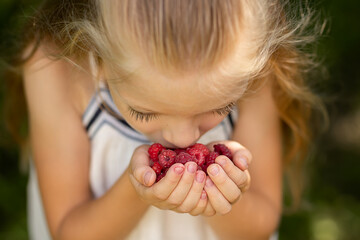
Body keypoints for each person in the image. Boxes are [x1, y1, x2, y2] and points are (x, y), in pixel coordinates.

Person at [6, 0, 326, 239]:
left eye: (220, 106)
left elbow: (261, 225)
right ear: (96, 53)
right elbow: (68, 231)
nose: (184, 138)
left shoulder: (255, 73)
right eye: (145, 113)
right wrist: (137, 189)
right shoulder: (56, 70)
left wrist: (222, 195)